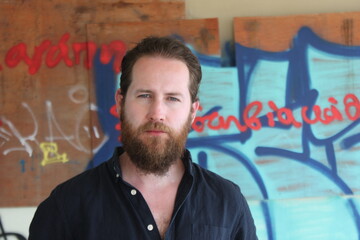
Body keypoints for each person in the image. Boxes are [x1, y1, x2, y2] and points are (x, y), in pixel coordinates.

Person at [29, 36, 257, 240]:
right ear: (120, 102)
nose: (157, 113)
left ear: (193, 111)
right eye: (145, 95)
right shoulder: (67, 206)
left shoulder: (227, 201)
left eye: (172, 98)